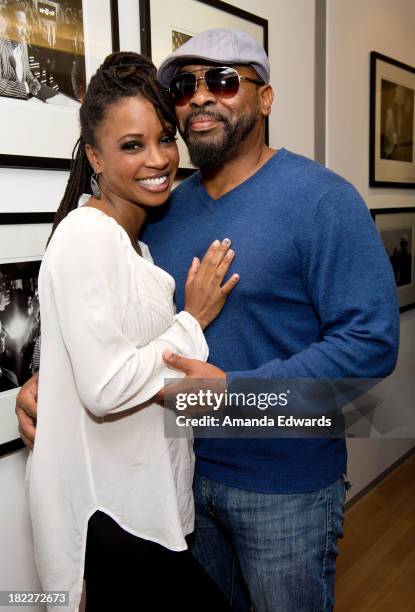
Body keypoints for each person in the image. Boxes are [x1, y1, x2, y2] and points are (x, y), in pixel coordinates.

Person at [16, 29, 399, 612]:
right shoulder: (161, 207)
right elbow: (120, 333)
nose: (199, 97)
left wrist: (241, 397)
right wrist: (51, 388)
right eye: (185, 85)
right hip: (180, 490)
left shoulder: (323, 200)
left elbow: (371, 344)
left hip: (283, 486)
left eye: (222, 80)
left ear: (265, 98)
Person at [22, 51, 238, 611]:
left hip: (146, 504)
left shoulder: (132, 245)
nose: (159, 158)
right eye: (132, 145)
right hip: (114, 515)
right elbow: (106, 386)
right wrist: (193, 320)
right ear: (94, 155)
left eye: (165, 138)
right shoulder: (88, 235)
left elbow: (103, 363)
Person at [0, 2, 41, 99]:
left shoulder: (23, 44)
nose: (24, 31)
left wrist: (31, 82)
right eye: (20, 24)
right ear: (9, 23)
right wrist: (25, 87)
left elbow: (26, 72)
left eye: (25, 25)